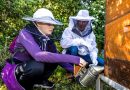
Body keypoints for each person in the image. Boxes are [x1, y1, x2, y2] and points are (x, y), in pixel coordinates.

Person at [1, 8, 87, 90]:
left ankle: (38, 81)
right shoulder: (25, 33)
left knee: (54, 59)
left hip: (31, 67)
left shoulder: (46, 38)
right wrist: (76, 59)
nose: (52, 27)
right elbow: (38, 55)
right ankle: (25, 87)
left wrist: (75, 71)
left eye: (52, 24)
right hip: (17, 70)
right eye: (49, 24)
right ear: (38, 23)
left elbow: (58, 57)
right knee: (37, 66)